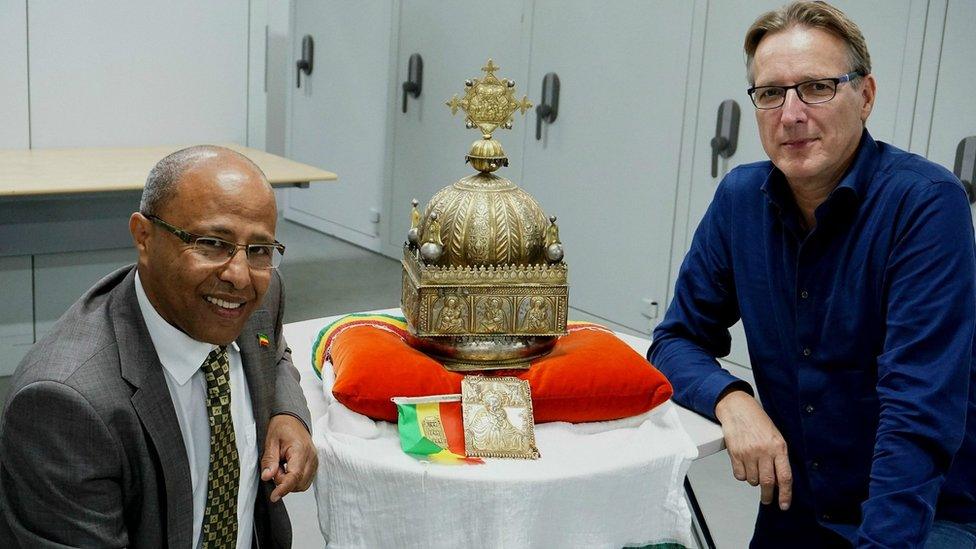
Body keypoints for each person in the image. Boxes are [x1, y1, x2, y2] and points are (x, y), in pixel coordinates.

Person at [648, 2, 976, 547]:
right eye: (771, 93)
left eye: (817, 88)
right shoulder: (740, 199)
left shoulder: (925, 204)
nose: (791, 113)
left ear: (865, 96)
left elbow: (916, 413)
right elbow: (677, 339)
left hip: (924, 514)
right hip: (797, 508)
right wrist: (733, 399)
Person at [0, 145, 319, 548]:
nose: (240, 275)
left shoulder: (257, 299)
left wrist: (288, 415)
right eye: (211, 243)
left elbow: (273, 352)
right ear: (144, 237)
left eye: (258, 250)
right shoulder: (66, 406)